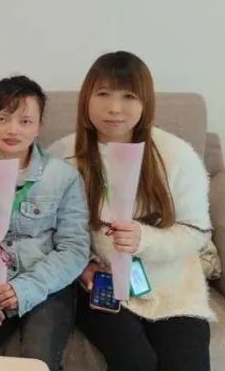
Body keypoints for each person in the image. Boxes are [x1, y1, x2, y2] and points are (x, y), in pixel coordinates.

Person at [48, 51, 213, 371]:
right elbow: (47, 228)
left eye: (128, 96)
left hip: (170, 283)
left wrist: (144, 239)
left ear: (145, 102)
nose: (114, 108)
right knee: (135, 360)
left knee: (186, 361)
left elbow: (196, 230)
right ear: (86, 98)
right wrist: (83, 266)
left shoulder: (175, 155)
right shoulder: (63, 155)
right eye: (103, 94)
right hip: (98, 283)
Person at [0, 75, 89, 369]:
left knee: (38, 360)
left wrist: (26, 288)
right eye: (2, 118)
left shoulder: (63, 177)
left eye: (25, 121)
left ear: (39, 127)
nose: (13, 130)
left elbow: (74, 248)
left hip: (45, 287)